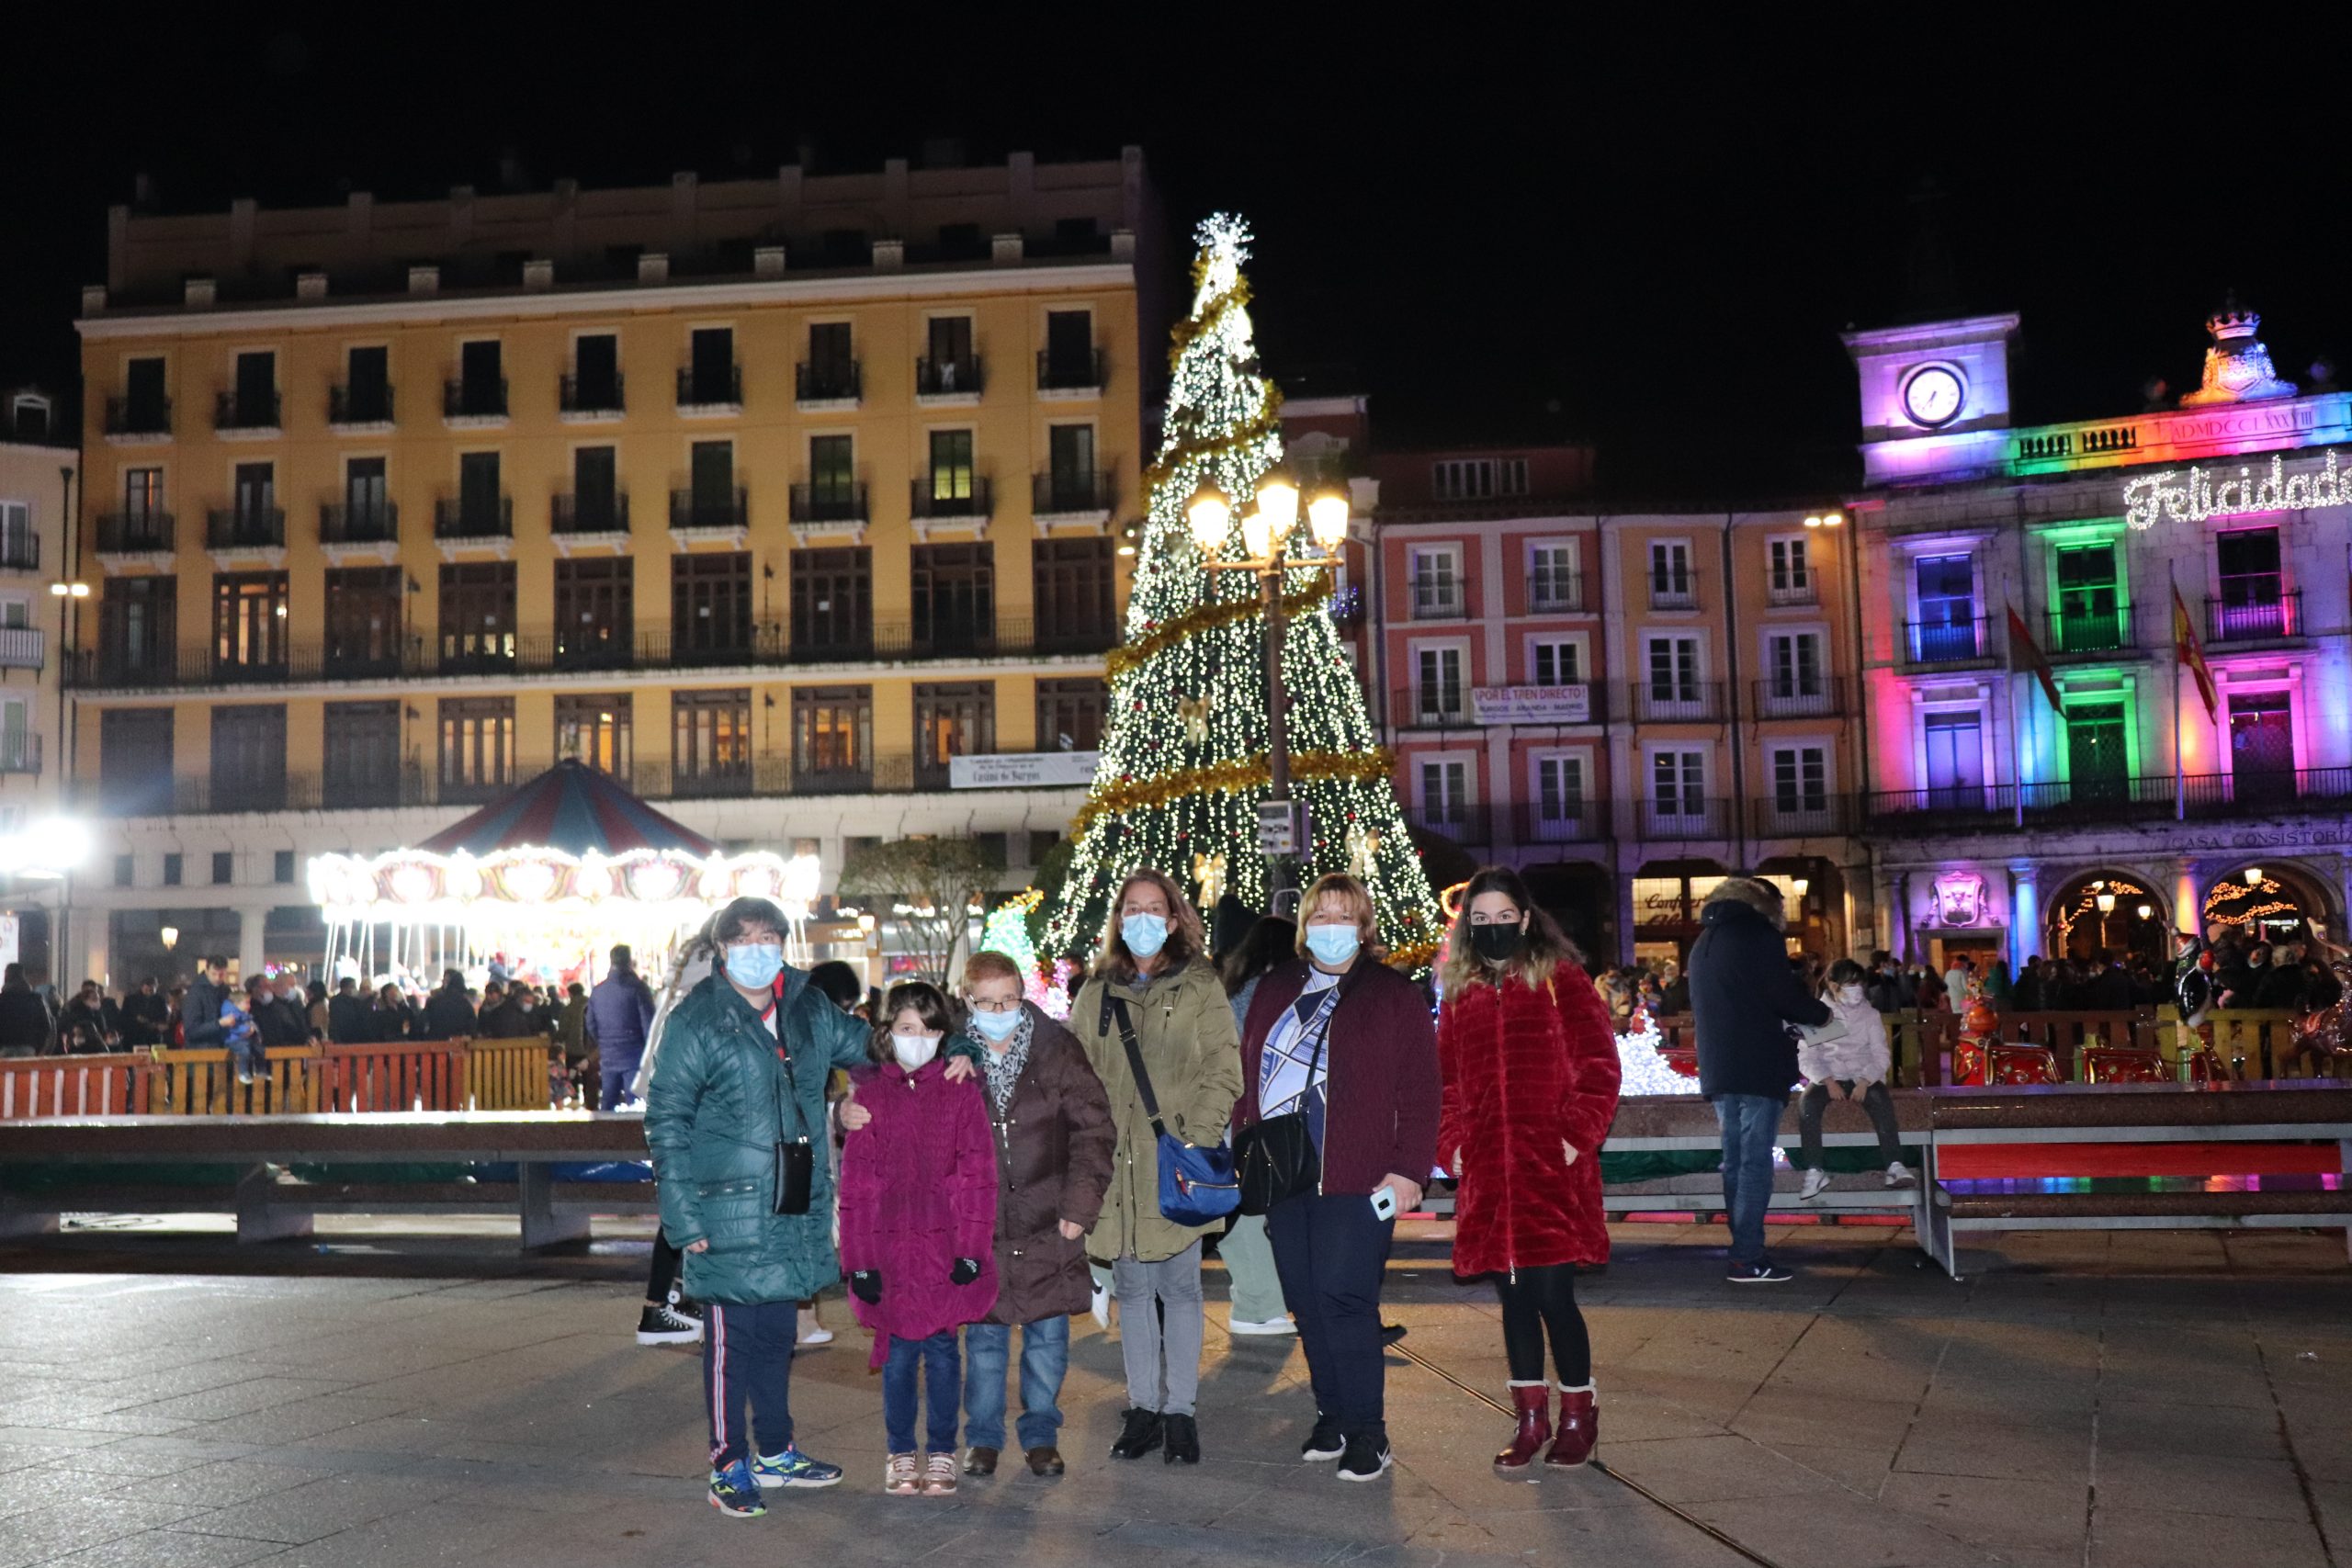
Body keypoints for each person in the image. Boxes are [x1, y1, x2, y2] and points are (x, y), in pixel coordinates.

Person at [642, 897, 980, 1517]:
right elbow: (666, 1120)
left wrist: (960, 1046)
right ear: (721, 949)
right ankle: (727, 1463)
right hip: (726, 1209)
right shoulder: (697, 1019)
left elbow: (880, 1045)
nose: (758, 949)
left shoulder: (807, 1006)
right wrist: (682, 1217)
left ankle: (776, 1450)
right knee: (731, 1345)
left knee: (779, 1335)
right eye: (743, 939)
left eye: (769, 937)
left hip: (792, 1205)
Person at [1236, 874, 1439, 1483]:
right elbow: (1249, 1069)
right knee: (1305, 1302)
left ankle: (1369, 1431)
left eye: (1343, 915)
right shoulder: (1277, 987)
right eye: (1320, 914)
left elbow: (1422, 1088)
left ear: (1363, 925)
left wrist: (1410, 1169)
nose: (1331, 926)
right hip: (1285, 1172)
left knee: (1345, 1301)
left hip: (1358, 1176)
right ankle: (1334, 1415)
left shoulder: (1391, 993)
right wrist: (1244, 1146)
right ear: (1304, 926)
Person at [1436, 866, 1620, 1475]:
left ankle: (1578, 1415)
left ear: (1524, 918)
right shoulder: (1459, 993)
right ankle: (1530, 1419)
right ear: (1468, 926)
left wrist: (1574, 1136)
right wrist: (1452, 1143)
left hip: (1550, 1170)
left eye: (1503, 916)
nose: (1493, 927)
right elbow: (1446, 1082)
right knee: (1513, 1298)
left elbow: (1599, 1066)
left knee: (1553, 1296)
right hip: (1490, 1173)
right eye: (1481, 919)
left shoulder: (1560, 978)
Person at [1069, 868, 1243, 1467]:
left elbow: (1223, 1068)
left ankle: (1181, 1413)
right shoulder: (1095, 992)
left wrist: (1195, 1140)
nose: (1141, 918)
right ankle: (1143, 1407)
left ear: (1173, 920)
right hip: (1115, 1168)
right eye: (1131, 908)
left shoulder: (1199, 985)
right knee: (1134, 1290)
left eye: (1153, 908)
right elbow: (1075, 1076)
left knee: (1181, 1287)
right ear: (1119, 919)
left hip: (1175, 1164)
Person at [956, 949, 1114, 1480]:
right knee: (985, 1338)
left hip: (1050, 1218)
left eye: (1009, 1000)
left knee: (1047, 1335)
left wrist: (1080, 1205)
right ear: (968, 1001)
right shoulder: (951, 1058)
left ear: (1023, 996)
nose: (1000, 1012)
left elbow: (1093, 1129)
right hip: (981, 1222)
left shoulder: (1056, 1049)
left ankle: (1042, 1434)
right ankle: (983, 1437)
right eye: (987, 1002)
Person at [839, 981, 998, 1497]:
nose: (919, 1039)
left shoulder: (960, 1090)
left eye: (930, 1031)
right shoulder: (869, 1095)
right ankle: (901, 1451)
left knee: (945, 1353)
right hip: (889, 1252)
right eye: (908, 1028)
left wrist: (972, 1251)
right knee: (900, 1356)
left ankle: (943, 1450)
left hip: (943, 1249)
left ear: (943, 1036)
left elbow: (979, 1177)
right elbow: (856, 1186)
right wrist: (859, 1261)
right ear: (887, 1032)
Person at [1690, 876, 1829, 1285]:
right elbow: (1781, 996)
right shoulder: (1759, 935)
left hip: (1720, 1067)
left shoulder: (1705, 940)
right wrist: (1821, 1015)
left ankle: (1744, 1250)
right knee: (1754, 1164)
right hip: (1757, 1064)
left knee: (1735, 1162)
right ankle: (1746, 1257)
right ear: (1766, 903)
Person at [1216, 913, 1300, 1337]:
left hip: (1235, 1121)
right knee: (1255, 1218)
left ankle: (1259, 1304)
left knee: (1245, 1218)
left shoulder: (1233, 993)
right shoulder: (1280, 993)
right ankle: (1258, 1307)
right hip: (1265, 1120)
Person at [1796, 959, 1912, 1199]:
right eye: (1850, 984)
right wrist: (1827, 1081)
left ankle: (1894, 1164)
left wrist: (1866, 1080)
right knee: (1807, 1104)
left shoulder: (1870, 1015)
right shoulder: (1818, 1014)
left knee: (1881, 1101)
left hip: (1863, 1075)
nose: (1856, 990)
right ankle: (1815, 1169)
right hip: (1829, 1076)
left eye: (1859, 984)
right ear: (1834, 985)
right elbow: (1808, 1057)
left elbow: (1881, 1054)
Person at [588, 945, 657, 1111]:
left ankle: (604, 1128)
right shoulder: (638, 988)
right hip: (634, 1055)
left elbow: (590, 1023)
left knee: (608, 1103)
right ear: (629, 962)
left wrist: (604, 1042)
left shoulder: (598, 992)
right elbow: (649, 1025)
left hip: (608, 1055)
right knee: (636, 1105)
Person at [185, 955, 233, 1075]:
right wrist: (219, 1024)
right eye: (214, 974)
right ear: (206, 971)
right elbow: (191, 1031)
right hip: (201, 1058)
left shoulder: (225, 991)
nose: (217, 978)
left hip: (222, 1056)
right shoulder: (195, 993)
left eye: (221, 974)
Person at [0, 963, 51, 1056]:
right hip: (29, 1047)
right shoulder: (36, 999)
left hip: (4, 1048)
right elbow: (46, 1026)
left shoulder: (2, 1000)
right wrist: (38, 1048)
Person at [58, 980, 120, 1055]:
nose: (98, 1001)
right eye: (95, 999)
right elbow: (67, 1030)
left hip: (95, 1051)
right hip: (81, 1052)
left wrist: (108, 1037)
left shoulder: (97, 1012)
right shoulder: (74, 1010)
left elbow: (101, 1030)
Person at [422, 969, 477, 1040]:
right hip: (457, 1043)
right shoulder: (465, 1004)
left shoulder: (434, 1001)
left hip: (435, 1042)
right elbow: (472, 1027)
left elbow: (423, 1022)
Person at [121, 977, 171, 1050]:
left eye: (152, 989)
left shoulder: (160, 1001)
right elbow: (124, 1017)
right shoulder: (130, 1000)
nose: (149, 992)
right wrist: (136, 1019)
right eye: (147, 989)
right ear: (142, 987)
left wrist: (155, 1024)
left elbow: (164, 1018)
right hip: (134, 1037)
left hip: (153, 1037)